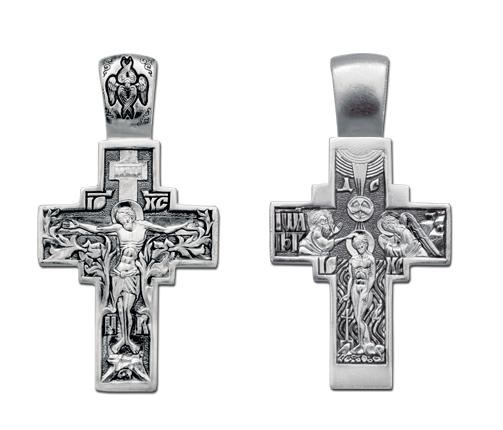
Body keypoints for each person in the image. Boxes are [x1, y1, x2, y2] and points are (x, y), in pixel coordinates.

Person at [64, 200, 192, 354]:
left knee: (127, 308)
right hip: (118, 273)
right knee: (120, 309)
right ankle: (124, 340)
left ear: (130, 216)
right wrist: (78, 225)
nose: (121, 222)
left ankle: (127, 340)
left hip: (132, 273)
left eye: (123, 218)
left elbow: (165, 230)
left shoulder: (143, 225)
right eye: (119, 219)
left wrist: (183, 226)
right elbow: (97, 229)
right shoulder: (118, 228)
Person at [343, 233, 377, 354]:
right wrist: (347, 293)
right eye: (357, 246)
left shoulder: (370, 259)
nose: (359, 248)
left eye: (361, 245)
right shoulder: (352, 260)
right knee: (358, 319)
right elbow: (351, 278)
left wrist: (367, 290)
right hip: (355, 288)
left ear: (366, 244)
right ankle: (364, 343)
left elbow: (372, 276)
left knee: (359, 318)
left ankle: (363, 344)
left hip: (365, 287)